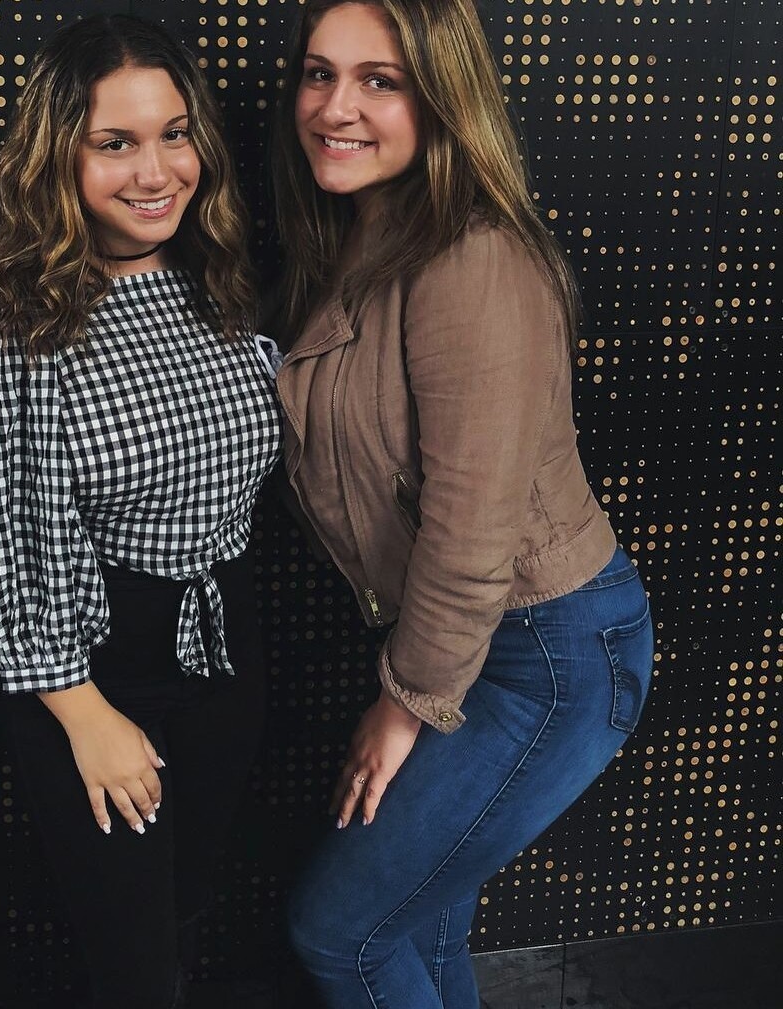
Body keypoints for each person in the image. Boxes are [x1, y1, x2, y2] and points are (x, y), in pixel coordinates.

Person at [270, 1, 655, 1006]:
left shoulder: (470, 257)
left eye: (379, 81)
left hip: (545, 655)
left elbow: (473, 525)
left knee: (343, 933)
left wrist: (405, 703)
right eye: (319, 73)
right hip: (465, 639)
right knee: (416, 927)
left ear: (442, 99)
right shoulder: (366, 233)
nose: (334, 107)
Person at [0, 16, 281, 1009]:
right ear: (58, 159)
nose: (155, 171)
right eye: (115, 143)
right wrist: (84, 711)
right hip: (89, 665)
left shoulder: (220, 291)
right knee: (133, 965)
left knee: (186, 915)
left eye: (175, 134)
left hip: (223, 648)